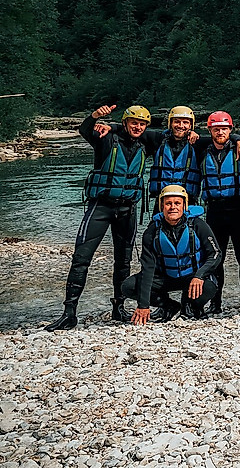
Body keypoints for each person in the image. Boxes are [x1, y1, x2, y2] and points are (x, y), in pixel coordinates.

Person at [46, 105, 153, 331]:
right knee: (81, 257)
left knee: (123, 261)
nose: (138, 126)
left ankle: (118, 308)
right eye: (134, 122)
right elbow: (85, 130)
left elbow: (175, 135)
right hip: (101, 207)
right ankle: (69, 312)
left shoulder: (145, 143)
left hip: (127, 210)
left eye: (142, 124)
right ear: (125, 123)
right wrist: (95, 116)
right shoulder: (106, 139)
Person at [123, 185, 222, 324]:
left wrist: (200, 275)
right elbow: (148, 269)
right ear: (162, 206)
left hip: (192, 276)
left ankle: (193, 306)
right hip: (166, 277)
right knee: (129, 286)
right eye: (168, 203)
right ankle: (169, 306)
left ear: (184, 206)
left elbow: (216, 253)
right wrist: (143, 305)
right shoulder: (152, 231)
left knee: (209, 287)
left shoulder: (198, 225)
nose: (173, 207)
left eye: (177, 203)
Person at [199, 111, 240, 314]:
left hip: (239, 210)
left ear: (231, 130)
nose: (220, 132)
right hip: (214, 211)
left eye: (224, 128)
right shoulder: (201, 150)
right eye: (216, 128)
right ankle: (216, 303)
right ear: (210, 130)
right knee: (215, 259)